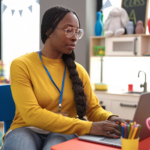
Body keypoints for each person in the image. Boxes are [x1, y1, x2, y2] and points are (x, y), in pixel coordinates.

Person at [1, 6, 129, 150]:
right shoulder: (22, 64)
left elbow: (93, 109)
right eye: (69, 30)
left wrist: (110, 118)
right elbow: (31, 114)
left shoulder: (79, 70)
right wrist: (88, 126)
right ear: (48, 31)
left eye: (77, 31)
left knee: (56, 145)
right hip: (26, 128)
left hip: (65, 130)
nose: (74, 37)